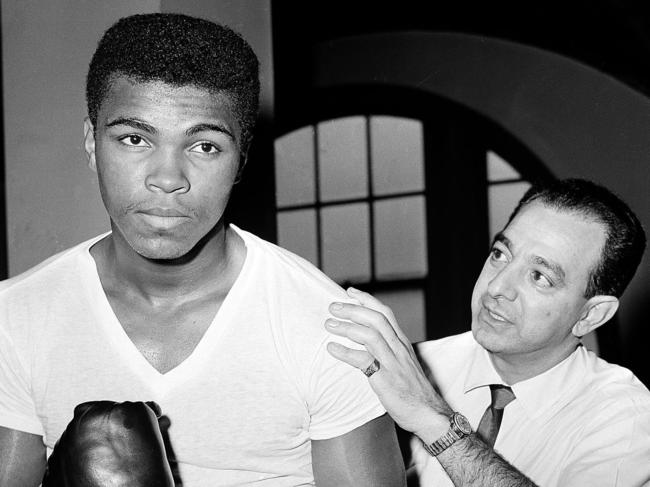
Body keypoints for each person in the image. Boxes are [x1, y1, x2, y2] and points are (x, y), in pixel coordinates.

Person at [0, 13, 405, 486]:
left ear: (241, 161)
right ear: (92, 143)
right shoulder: (17, 315)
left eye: (205, 147)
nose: (168, 179)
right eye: (134, 139)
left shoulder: (327, 327)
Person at [325, 178, 650, 486]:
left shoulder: (626, 417)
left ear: (591, 315)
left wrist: (432, 419)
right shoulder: (416, 364)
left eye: (539, 277)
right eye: (500, 255)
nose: (496, 287)